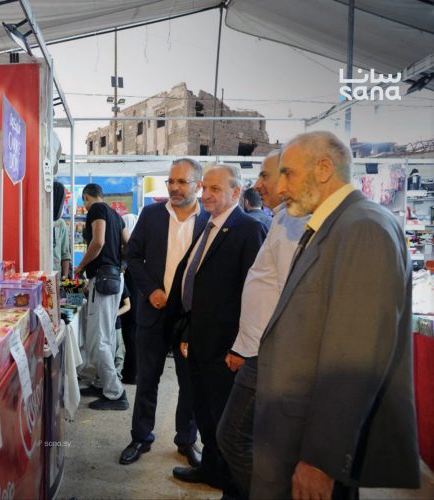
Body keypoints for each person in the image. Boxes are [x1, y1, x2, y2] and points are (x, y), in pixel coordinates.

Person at [251, 131, 420, 499]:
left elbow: (355, 359)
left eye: (288, 173)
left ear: (324, 169)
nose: (280, 187)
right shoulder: (338, 224)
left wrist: (321, 460)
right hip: (294, 428)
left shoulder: (364, 228)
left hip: (311, 442)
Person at [215, 149, 309, 499]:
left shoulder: (293, 223)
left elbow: (286, 299)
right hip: (259, 351)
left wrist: (248, 349)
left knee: (234, 437)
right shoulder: (282, 219)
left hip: (266, 355)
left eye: (265, 176)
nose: (258, 184)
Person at [171, 165, 266, 498]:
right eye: (205, 188)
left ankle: (230, 483)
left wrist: (241, 347)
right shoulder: (208, 224)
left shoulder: (249, 229)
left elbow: (254, 294)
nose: (206, 195)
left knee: (226, 419)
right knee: (205, 411)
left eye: (215, 189)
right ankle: (211, 468)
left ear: (236, 193)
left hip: (226, 346)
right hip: (199, 339)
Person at [120, 158, 209, 466]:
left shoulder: (209, 220)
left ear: (198, 185)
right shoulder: (152, 214)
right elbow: (133, 257)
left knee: (190, 383)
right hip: (153, 312)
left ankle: (187, 440)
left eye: (182, 182)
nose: (174, 187)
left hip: (190, 318)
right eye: (171, 181)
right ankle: (140, 436)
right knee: (147, 379)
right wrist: (150, 290)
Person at [75, 183, 130, 410]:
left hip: (103, 279)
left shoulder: (96, 209)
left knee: (99, 340)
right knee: (105, 336)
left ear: (86, 197)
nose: (85, 205)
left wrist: (80, 267)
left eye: (84, 201)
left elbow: (97, 242)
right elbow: (129, 245)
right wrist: (119, 264)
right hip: (115, 278)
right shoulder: (116, 215)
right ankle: (101, 383)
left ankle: (115, 394)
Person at [120, 212, 139, 384]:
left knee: (130, 335)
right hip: (138, 304)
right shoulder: (140, 249)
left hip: (131, 303)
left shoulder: (130, 252)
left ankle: (131, 373)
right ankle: (133, 372)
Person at [53, 181, 72, 279]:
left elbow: (65, 254)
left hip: (56, 276)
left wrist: (64, 278)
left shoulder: (61, 224)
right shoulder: (36, 222)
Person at [114, 284, 131, 380]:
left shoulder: (120, 283)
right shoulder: (95, 281)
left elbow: (128, 305)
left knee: (118, 354)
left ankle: (117, 377)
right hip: (100, 323)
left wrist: (115, 314)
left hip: (115, 324)